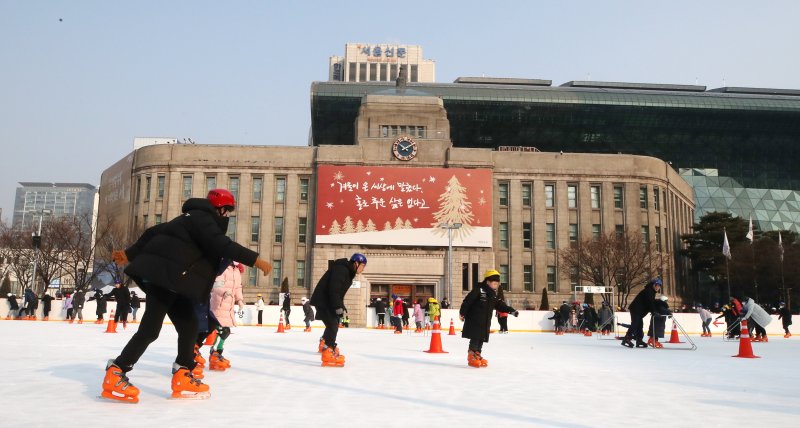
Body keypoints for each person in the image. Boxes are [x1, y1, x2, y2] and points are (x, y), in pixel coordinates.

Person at [100, 188, 272, 403]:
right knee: (150, 330)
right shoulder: (203, 219)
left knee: (189, 326)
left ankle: (183, 373)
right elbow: (222, 245)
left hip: (173, 281)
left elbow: (153, 232)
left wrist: (129, 254)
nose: (227, 216)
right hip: (164, 278)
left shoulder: (188, 218)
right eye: (227, 211)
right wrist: (255, 260)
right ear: (220, 209)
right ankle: (116, 371)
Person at [310, 253, 366, 367]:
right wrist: (337, 306)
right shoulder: (342, 269)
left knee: (332, 324)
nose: (363, 268)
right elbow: (333, 288)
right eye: (363, 265)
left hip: (326, 300)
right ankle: (327, 352)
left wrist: (340, 305)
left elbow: (338, 292)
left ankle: (325, 344)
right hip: (324, 300)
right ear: (356, 263)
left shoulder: (347, 271)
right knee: (333, 325)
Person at [460, 269, 518, 367]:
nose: (496, 286)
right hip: (475, 320)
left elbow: (500, 305)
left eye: (497, 284)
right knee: (475, 337)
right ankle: (471, 356)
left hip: (485, 321)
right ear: (487, 282)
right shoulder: (479, 289)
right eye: (494, 284)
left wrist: (511, 310)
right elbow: (467, 301)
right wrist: (462, 313)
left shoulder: (492, 294)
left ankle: (477, 354)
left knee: (481, 338)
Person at [205, 261, 245, 371]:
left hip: (228, 307)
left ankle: (216, 354)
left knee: (225, 331)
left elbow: (238, 287)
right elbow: (215, 284)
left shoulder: (237, 271)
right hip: (218, 304)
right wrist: (224, 292)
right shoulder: (223, 267)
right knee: (222, 331)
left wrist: (240, 300)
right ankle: (214, 354)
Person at [621, 278, 662, 349]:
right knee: (635, 323)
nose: (658, 287)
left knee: (640, 324)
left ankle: (639, 340)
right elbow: (650, 303)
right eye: (657, 285)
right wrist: (653, 311)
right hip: (636, 309)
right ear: (653, 285)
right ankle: (627, 339)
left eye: (659, 286)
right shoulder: (648, 291)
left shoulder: (651, 291)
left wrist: (654, 310)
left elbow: (651, 303)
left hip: (639, 310)